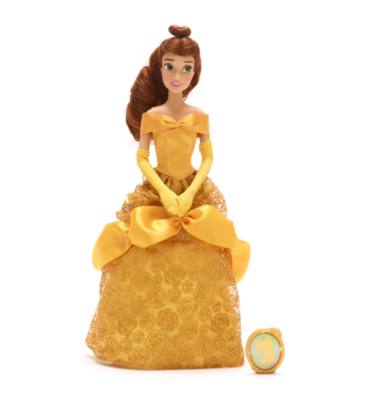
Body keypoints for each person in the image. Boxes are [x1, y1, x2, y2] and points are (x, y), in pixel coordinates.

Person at [86, 24, 251, 370]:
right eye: (170, 66)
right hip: (157, 191)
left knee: (206, 257)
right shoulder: (152, 117)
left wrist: (190, 191)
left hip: (193, 190)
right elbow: (142, 158)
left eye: (186, 68)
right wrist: (163, 191)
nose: (178, 75)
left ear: (195, 72)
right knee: (140, 249)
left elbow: (207, 158)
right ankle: (142, 338)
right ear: (160, 69)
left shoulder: (199, 117)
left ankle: (201, 340)